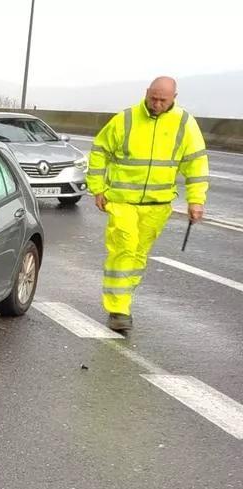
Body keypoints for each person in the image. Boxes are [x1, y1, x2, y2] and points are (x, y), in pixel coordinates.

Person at [87, 76, 209, 333]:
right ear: (146, 93)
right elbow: (99, 151)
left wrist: (196, 200)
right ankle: (118, 309)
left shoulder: (185, 124)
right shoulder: (126, 118)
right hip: (122, 202)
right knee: (125, 248)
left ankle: (125, 301)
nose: (156, 104)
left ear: (174, 97)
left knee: (139, 255)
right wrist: (97, 189)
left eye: (163, 100)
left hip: (157, 204)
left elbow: (196, 164)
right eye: (153, 97)